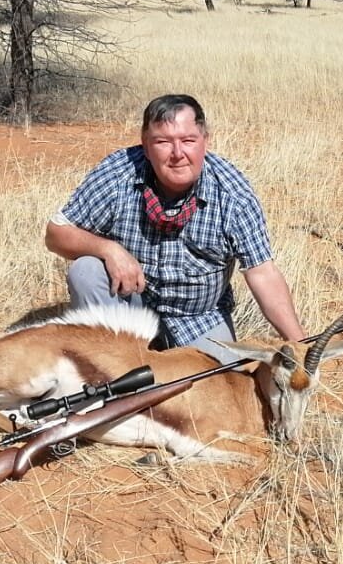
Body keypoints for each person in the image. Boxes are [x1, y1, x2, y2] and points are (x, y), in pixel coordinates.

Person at [45, 94, 305, 363]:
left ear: (205, 140)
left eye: (188, 140)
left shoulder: (233, 193)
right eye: (163, 142)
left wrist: (300, 344)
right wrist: (108, 249)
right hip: (130, 309)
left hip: (198, 318)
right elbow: (56, 234)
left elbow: (262, 272)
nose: (178, 153)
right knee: (86, 270)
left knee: (220, 392)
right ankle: (110, 363)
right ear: (145, 146)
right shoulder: (118, 171)